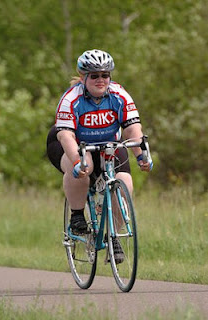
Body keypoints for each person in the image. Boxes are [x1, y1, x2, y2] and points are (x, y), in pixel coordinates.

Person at [47, 49, 152, 260]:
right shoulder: (71, 99)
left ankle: (113, 237)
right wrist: (77, 162)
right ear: (84, 77)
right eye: (94, 75)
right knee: (84, 167)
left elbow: (132, 129)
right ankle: (77, 216)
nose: (100, 80)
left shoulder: (119, 95)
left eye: (105, 75)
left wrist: (142, 155)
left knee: (124, 183)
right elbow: (66, 136)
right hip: (73, 143)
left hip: (109, 144)